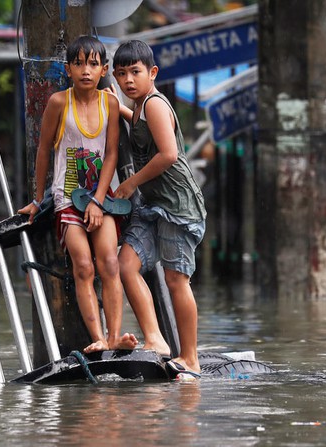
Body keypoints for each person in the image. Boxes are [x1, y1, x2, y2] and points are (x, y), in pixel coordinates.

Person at [18, 35, 137, 354]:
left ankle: (115, 338)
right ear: (68, 69)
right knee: (83, 266)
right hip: (68, 199)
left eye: (93, 64)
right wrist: (37, 196)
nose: (86, 70)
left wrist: (98, 201)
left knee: (109, 264)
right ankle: (98, 337)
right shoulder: (59, 102)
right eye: (79, 63)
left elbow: (111, 153)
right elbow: (43, 151)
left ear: (104, 70)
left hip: (103, 198)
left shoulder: (109, 102)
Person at [110, 40, 207, 379]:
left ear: (152, 73)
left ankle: (191, 357)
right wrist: (113, 105)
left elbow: (167, 154)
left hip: (177, 205)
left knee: (176, 279)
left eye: (135, 72)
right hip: (153, 206)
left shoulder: (153, 104)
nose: (128, 81)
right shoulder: (137, 108)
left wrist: (130, 182)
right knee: (126, 264)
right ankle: (156, 340)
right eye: (121, 74)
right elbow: (136, 125)